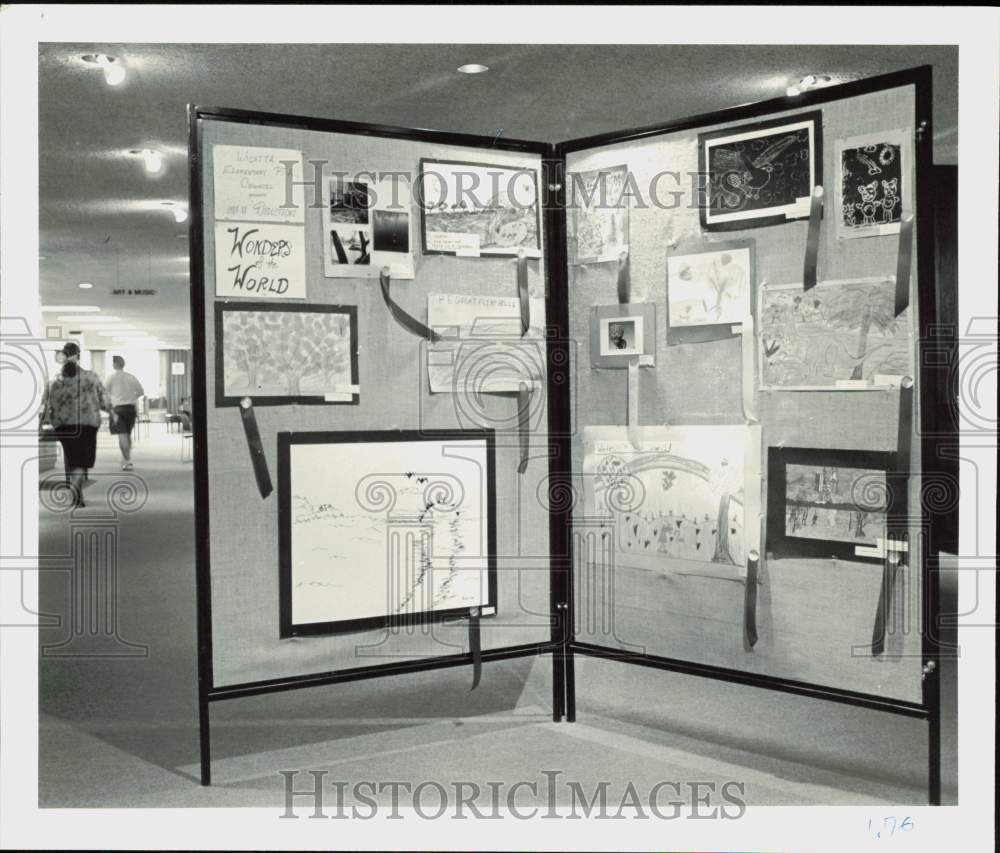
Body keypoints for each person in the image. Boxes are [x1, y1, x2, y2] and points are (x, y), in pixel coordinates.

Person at [39, 342, 111, 508]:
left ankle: (74, 486)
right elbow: (104, 400)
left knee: (71, 457)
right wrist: (111, 411)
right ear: (78, 356)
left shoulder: (55, 381)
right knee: (82, 460)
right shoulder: (91, 377)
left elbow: (45, 404)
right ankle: (76, 486)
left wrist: (42, 424)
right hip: (87, 424)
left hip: (63, 425)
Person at [104, 355, 145, 471]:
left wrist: (109, 405)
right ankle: (126, 458)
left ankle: (128, 461)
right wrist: (132, 396)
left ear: (115, 364)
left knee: (122, 436)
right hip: (130, 409)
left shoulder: (111, 378)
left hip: (118, 410)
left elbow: (104, 393)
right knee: (127, 434)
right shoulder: (131, 377)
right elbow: (141, 391)